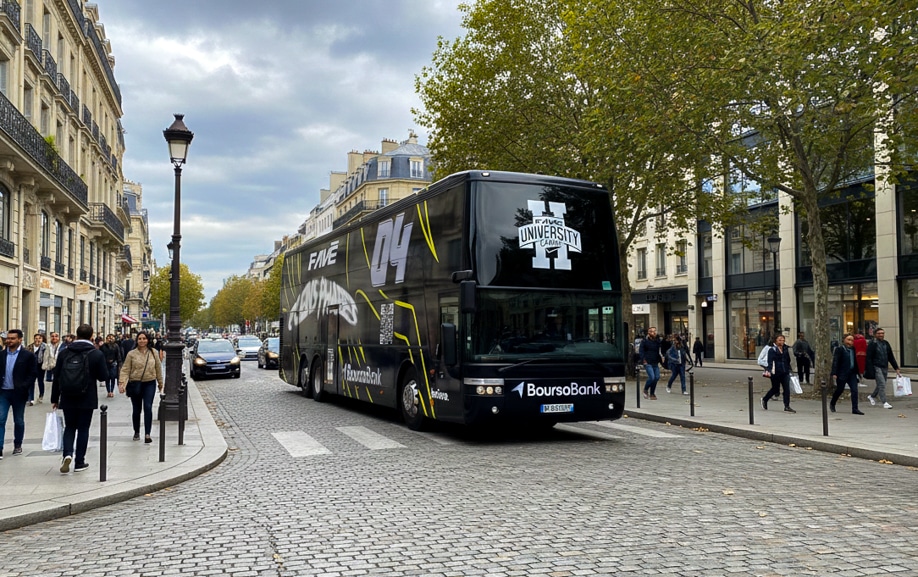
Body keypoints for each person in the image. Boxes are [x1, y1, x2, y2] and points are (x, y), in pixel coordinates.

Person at [51, 324, 108, 473]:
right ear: (92, 335)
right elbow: (103, 376)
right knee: (83, 429)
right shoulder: (96, 354)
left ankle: (67, 454)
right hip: (87, 396)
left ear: (76, 335)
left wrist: (54, 398)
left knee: (69, 427)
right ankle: (79, 462)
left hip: (67, 395)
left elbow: (56, 377)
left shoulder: (64, 353)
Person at [118, 331, 164, 443]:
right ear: (137, 340)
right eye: (140, 338)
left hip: (150, 383)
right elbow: (125, 369)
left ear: (148, 340)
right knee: (136, 409)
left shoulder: (153, 352)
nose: (142, 341)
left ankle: (148, 433)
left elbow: (158, 368)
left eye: (144, 338)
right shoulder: (131, 354)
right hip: (135, 383)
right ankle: (136, 431)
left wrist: (160, 383)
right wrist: (122, 383)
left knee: (148, 407)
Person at [0, 330, 38, 459]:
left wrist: (24, 386)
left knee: (19, 420)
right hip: (3, 392)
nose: (9, 341)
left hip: (18, 393)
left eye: (12, 338)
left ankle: (18, 444)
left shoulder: (27, 355)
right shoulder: (1, 355)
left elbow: (33, 373)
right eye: (8, 338)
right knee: (1, 419)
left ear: (20, 340)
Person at [864, 327, 901, 409]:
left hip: (884, 366)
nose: (881, 335)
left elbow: (890, 356)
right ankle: (884, 402)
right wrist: (870, 369)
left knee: (881, 384)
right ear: (875, 335)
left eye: (882, 333)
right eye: (879, 333)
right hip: (876, 366)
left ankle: (872, 396)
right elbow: (869, 358)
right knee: (882, 384)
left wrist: (896, 368)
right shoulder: (872, 344)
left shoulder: (886, 343)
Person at [830, 333, 864, 415]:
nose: (850, 342)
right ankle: (833, 403)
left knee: (854, 390)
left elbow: (855, 361)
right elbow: (836, 361)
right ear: (844, 340)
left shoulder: (853, 349)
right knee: (840, 390)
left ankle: (855, 408)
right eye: (848, 340)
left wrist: (858, 373)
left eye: (852, 340)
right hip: (842, 373)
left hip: (852, 373)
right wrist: (834, 373)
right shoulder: (840, 349)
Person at [761, 334, 795, 413]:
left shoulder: (786, 349)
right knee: (775, 389)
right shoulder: (772, 350)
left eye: (783, 340)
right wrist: (768, 371)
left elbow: (789, 359)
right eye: (780, 340)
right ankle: (765, 399)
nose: (782, 342)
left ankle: (787, 406)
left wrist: (790, 368)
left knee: (787, 389)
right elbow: (770, 361)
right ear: (775, 341)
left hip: (785, 371)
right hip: (775, 372)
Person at [639, 327, 664, 400]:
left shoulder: (657, 341)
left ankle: (652, 393)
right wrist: (643, 360)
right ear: (649, 333)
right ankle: (645, 389)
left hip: (655, 361)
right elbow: (641, 351)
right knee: (652, 377)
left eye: (655, 331)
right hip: (647, 362)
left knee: (657, 377)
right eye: (653, 332)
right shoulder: (644, 341)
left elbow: (661, 349)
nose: (655, 333)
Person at [27, 333, 47, 406]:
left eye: (39, 338)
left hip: (40, 366)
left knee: (40, 381)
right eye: (36, 338)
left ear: (42, 339)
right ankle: (31, 398)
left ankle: (41, 395)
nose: (37, 340)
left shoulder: (45, 347)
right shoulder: (30, 347)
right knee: (31, 382)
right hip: (32, 367)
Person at [100, 334, 122, 398]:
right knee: (107, 378)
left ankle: (111, 391)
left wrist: (119, 363)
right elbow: (101, 355)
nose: (110, 339)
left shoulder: (116, 346)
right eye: (109, 338)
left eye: (112, 338)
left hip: (113, 363)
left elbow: (118, 355)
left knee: (112, 377)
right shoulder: (103, 346)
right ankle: (108, 391)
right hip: (106, 364)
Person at [42, 332, 62, 400]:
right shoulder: (48, 346)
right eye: (52, 336)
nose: (54, 338)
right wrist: (45, 365)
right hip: (52, 365)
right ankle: (56, 398)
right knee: (55, 382)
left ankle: (61, 396)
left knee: (60, 382)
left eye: (56, 336)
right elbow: (46, 356)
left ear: (59, 338)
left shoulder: (62, 346)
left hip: (61, 366)